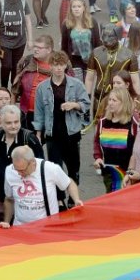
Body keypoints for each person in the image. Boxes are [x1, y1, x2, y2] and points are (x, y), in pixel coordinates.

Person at [33, 52, 90, 186]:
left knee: (73, 167)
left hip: (71, 132)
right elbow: (39, 112)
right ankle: (58, 198)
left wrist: (74, 105)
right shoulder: (42, 88)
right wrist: (38, 133)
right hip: (52, 133)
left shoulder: (76, 84)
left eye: (61, 65)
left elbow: (86, 104)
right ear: (50, 66)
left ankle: (72, 197)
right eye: (55, 65)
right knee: (54, 168)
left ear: (66, 66)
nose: (59, 68)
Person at [2, 145, 80, 227]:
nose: (19, 174)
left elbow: (69, 183)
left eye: (22, 170)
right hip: (20, 227)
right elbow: (9, 200)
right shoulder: (9, 171)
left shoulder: (50, 168)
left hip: (47, 227)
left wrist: (76, 199)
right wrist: (6, 222)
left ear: (32, 162)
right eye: (16, 169)